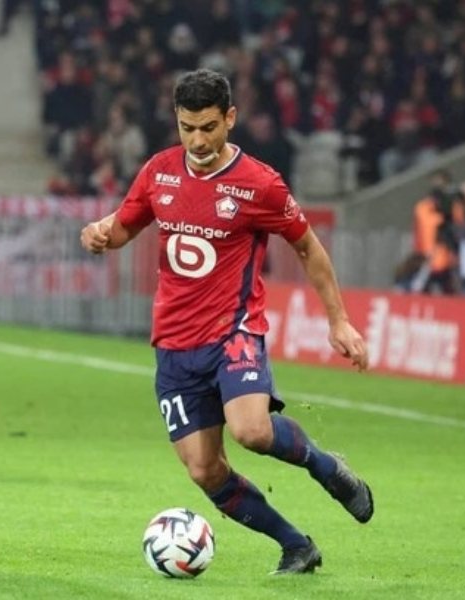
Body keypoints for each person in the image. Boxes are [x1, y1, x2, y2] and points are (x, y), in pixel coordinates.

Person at [79, 69, 373, 576]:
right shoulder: (159, 172)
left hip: (234, 331)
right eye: (187, 127)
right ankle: (296, 545)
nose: (197, 141)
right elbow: (123, 227)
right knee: (204, 468)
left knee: (252, 431)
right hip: (174, 346)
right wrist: (99, 233)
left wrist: (339, 322)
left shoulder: (260, 184)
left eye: (209, 127)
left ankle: (326, 467)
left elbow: (307, 247)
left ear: (230, 118)